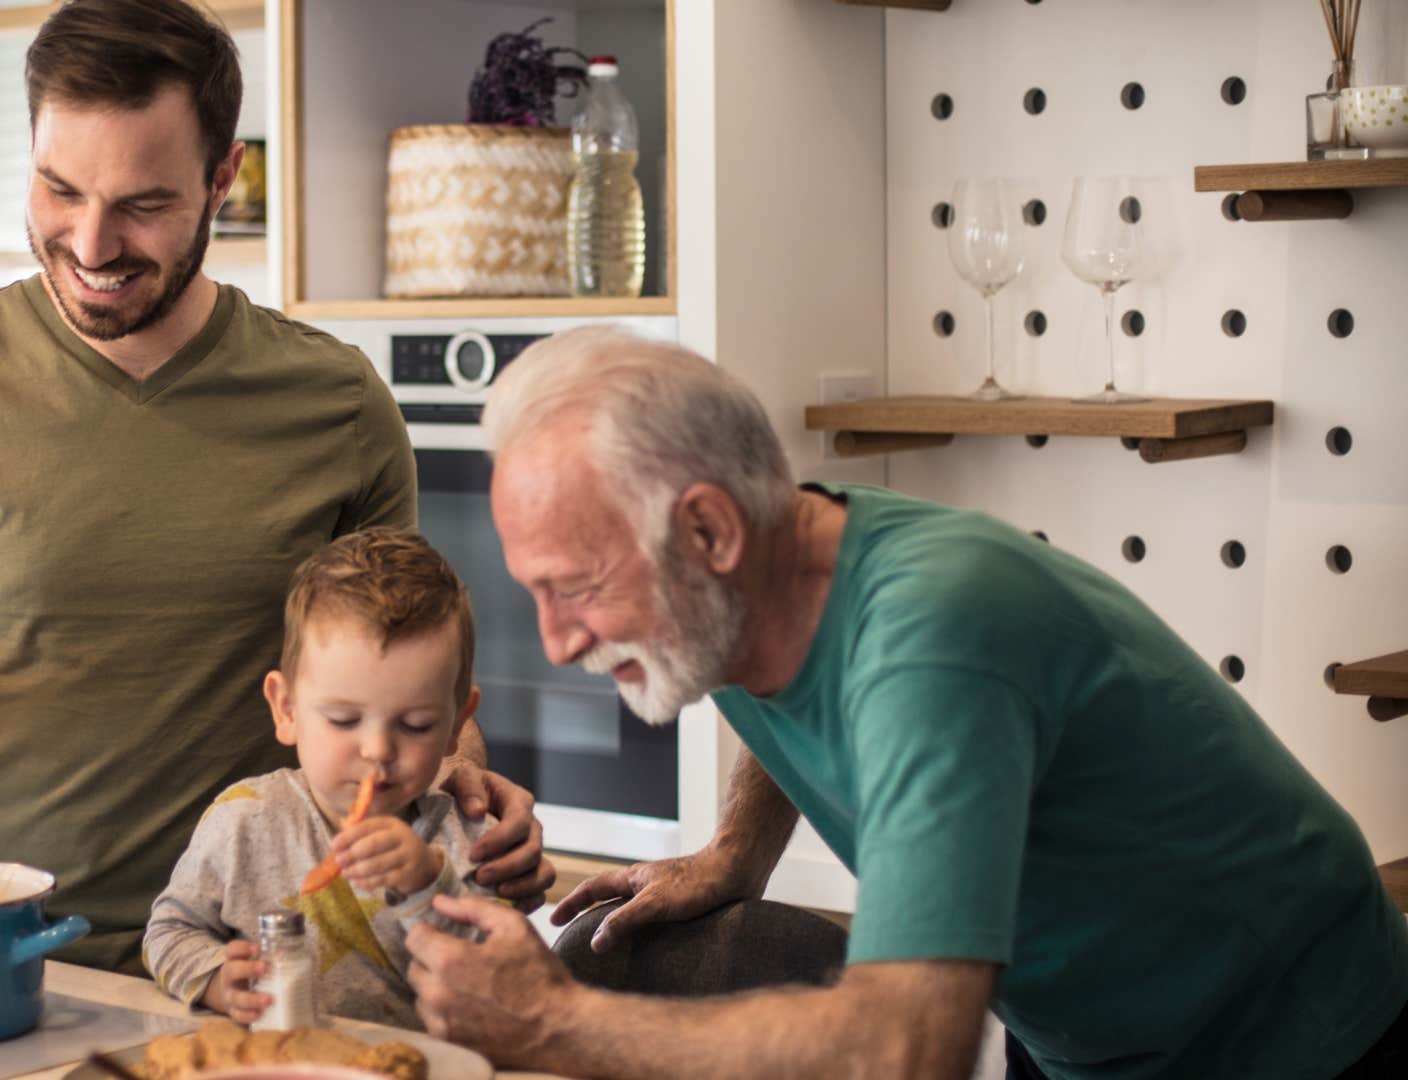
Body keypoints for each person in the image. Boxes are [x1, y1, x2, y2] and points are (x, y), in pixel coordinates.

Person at [403, 326, 1408, 1079]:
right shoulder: (767, 576)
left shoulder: (937, 639)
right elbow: (783, 683)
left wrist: (548, 1022)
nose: (556, 640)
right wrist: (735, 856)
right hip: (1087, 1037)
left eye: (573, 589)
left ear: (709, 533)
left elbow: (907, 1047)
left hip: (1290, 1036)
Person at [0, 0, 551, 976]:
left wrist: (470, 790)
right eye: (60, 190)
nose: (92, 244)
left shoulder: (337, 403)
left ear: (223, 178)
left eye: (143, 204)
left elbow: (410, 676)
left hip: (262, 967)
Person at [144, 528, 497, 1029]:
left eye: (415, 725)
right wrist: (216, 977)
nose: (377, 750)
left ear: (456, 727)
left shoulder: (467, 838)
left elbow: (497, 985)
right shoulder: (243, 820)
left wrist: (424, 884)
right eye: (344, 720)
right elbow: (169, 931)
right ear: (286, 709)